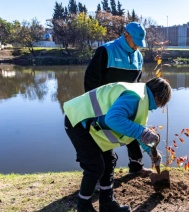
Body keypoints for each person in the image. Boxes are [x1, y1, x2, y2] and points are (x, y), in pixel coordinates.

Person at [64, 77, 171, 212]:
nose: (157, 107)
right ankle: (83, 206)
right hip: (78, 121)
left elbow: (137, 131)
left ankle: (107, 204)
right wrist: (142, 132)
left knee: (109, 161)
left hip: (92, 125)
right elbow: (113, 119)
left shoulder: (142, 97)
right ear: (158, 98)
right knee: (95, 167)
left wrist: (151, 151)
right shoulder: (135, 97)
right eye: (161, 103)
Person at [84, 22, 152, 177]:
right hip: (103, 104)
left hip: (126, 103)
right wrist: (92, 109)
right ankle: (103, 175)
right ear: (125, 35)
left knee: (133, 131)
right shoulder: (106, 51)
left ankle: (136, 166)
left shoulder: (138, 57)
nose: (137, 47)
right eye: (135, 42)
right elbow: (90, 80)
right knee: (104, 139)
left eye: (139, 44)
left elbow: (136, 83)